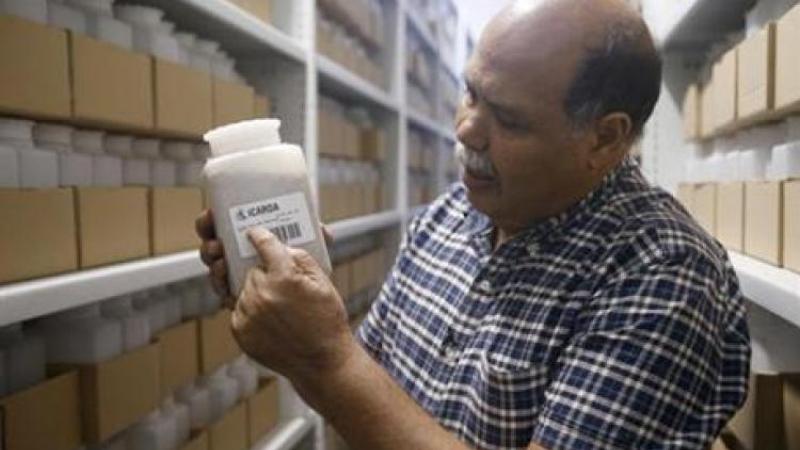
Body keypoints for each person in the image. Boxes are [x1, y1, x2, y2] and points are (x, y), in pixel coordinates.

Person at [196, 0, 750, 448]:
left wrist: (326, 357)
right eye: (470, 93)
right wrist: (291, 318)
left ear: (603, 138)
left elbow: (343, 376)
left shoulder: (664, 274)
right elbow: (364, 398)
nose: (465, 129)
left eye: (506, 118)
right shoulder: (444, 219)